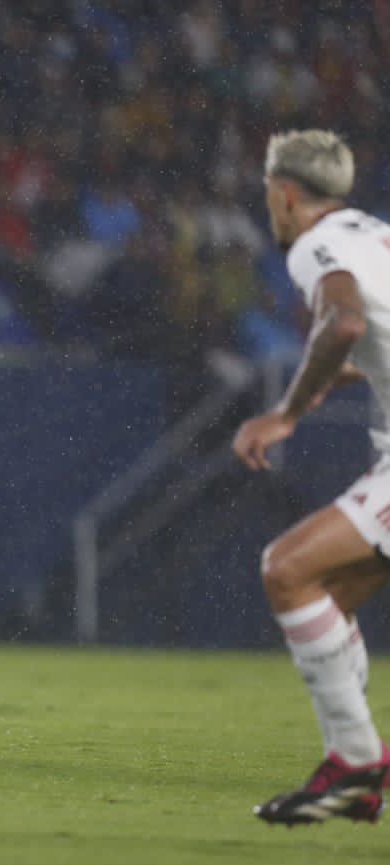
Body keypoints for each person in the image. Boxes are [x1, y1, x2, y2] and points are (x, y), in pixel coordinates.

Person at [232, 129, 390, 826]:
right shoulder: (373, 233)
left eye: (270, 192)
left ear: (285, 193)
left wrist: (288, 412)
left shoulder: (314, 245)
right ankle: (349, 764)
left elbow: (346, 321)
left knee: (287, 570)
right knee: (331, 599)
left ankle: (355, 766)